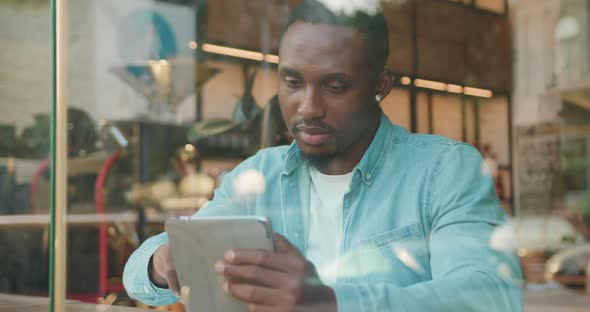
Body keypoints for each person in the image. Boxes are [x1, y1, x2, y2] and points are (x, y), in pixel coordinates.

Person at [123, 1, 523, 311]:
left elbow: (489, 295)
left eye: (335, 86)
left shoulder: (444, 170)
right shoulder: (261, 173)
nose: (308, 108)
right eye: (292, 82)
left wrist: (328, 303)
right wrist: (162, 262)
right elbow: (139, 272)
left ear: (380, 86)